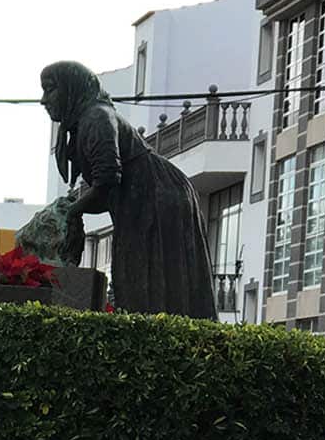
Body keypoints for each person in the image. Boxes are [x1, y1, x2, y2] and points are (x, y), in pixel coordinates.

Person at [38, 60, 217, 317]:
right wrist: (73, 210)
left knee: (151, 288)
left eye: (51, 89)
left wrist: (71, 212)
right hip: (141, 202)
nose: (44, 100)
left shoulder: (96, 118)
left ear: (71, 89)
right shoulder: (84, 123)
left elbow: (107, 180)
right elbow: (106, 191)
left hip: (158, 199)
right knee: (133, 283)